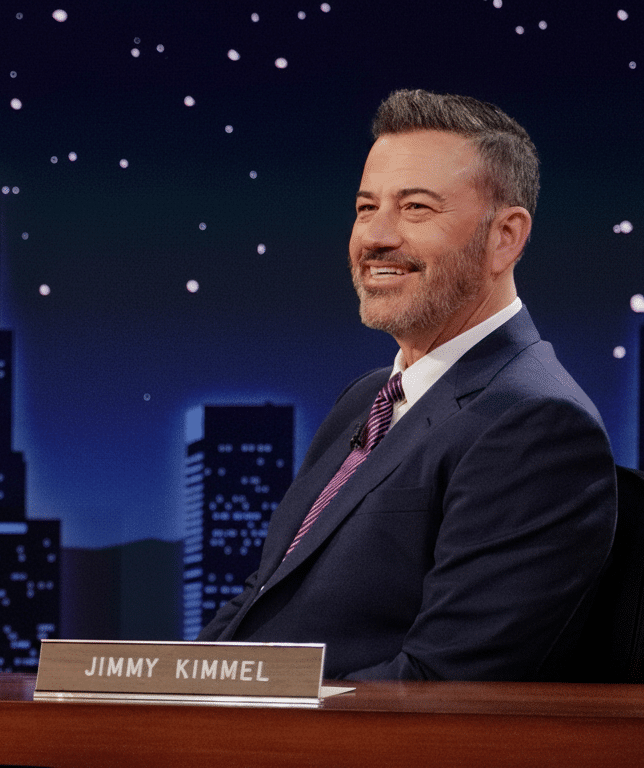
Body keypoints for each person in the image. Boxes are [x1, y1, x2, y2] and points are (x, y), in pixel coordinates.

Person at [197, 89, 617, 682]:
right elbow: (258, 603)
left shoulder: (535, 423)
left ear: (506, 237)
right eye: (366, 208)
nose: (376, 237)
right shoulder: (366, 398)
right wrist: (164, 694)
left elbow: (440, 684)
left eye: (416, 208)